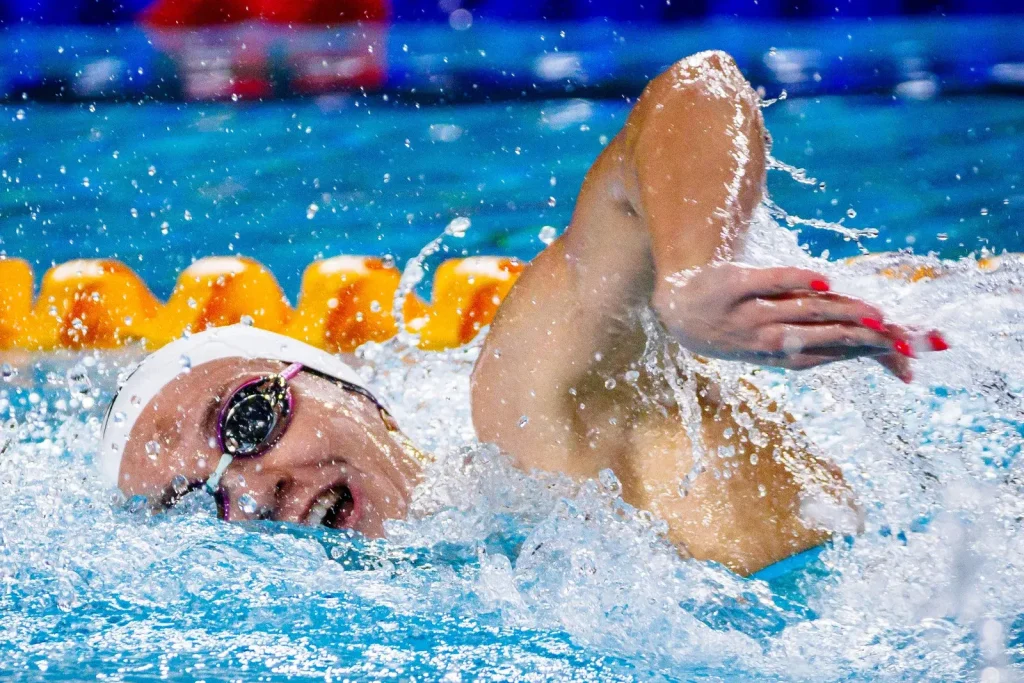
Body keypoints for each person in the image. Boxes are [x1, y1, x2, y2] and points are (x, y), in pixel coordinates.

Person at [100, 51, 947, 576]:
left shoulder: (532, 419)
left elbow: (699, 90)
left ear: (347, 387)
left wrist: (694, 273)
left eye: (247, 418)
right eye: (193, 503)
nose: (251, 491)